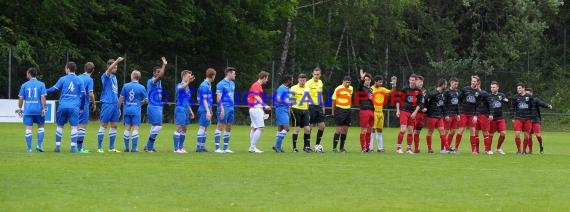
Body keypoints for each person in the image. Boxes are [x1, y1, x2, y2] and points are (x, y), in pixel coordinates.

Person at [46, 62, 86, 153]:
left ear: (68, 69)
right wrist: (82, 107)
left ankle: (57, 147)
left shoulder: (63, 79)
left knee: (60, 126)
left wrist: (43, 91)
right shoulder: (79, 80)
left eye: (65, 68)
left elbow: (53, 89)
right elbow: (84, 95)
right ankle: (72, 148)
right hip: (74, 107)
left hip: (63, 106)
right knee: (74, 127)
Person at [17, 68, 47, 152]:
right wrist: (44, 108)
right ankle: (39, 146)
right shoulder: (41, 84)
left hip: (28, 110)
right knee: (41, 128)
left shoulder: (24, 85)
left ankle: (30, 148)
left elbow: (21, 98)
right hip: (38, 110)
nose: (26, 75)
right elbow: (43, 97)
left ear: (29, 74)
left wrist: (20, 108)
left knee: (28, 129)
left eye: (27, 73)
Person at [97, 57, 124, 153]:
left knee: (114, 125)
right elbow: (108, 71)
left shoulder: (115, 77)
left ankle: (111, 147)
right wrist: (117, 60)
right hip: (107, 103)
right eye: (114, 67)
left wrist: (118, 107)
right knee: (104, 125)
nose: (115, 68)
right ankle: (99, 147)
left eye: (116, 67)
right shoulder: (105, 76)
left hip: (115, 105)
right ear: (109, 66)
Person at [118, 70, 148, 152]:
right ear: (139, 78)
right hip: (136, 110)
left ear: (132, 76)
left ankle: (127, 148)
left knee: (127, 128)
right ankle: (134, 148)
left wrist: (118, 108)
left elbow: (121, 98)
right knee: (135, 128)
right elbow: (146, 100)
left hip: (127, 109)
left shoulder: (125, 86)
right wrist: (141, 103)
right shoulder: (142, 87)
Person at [144, 57, 167, 152]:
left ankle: (148, 146)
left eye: (159, 71)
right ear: (154, 73)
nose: (159, 73)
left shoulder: (159, 82)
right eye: (157, 72)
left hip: (156, 106)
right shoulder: (152, 81)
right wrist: (164, 65)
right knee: (158, 126)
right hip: (153, 106)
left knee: (154, 126)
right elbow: (161, 76)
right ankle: (149, 146)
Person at [395, 74, 423, 154]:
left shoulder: (418, 91)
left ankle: (408, 149)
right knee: (403, 130)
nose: (411, 81)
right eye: (410, 80)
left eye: (413, 80)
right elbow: (398, 100)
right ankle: (398, 148)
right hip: (404, 111)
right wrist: (397, 110)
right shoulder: (404, 89)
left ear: (416, 81)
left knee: (410, 131)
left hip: (412, 112)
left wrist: (415, 112)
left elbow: (420, 103)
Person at [455, 75, 482, 154]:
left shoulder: (478, 92)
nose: (473, 82)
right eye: (472, 81)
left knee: (473, 131)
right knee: (461, 129)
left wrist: (476, 116)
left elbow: (478, 105)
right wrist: (458, 112)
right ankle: (456, 148)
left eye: (474, 81)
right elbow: (458, 100)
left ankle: (473, 150)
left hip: (472, 114)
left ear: (477, 82)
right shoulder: (465, 89)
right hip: (463, 112)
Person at [247, 71, 271, 153]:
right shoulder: (257, 85)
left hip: (253, 108)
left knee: (254, 128)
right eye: (267, 78)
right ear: (264, 77)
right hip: (256, 108)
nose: (267, 80)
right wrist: (264, 105)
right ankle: (253, 147)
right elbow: (256, 96)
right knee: (260, 128)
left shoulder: (256, 85)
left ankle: (252, 147)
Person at [214, 67, 236, 153]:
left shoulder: (233, 83)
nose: (235, 75)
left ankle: (225, 148)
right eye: (234, 73)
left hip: (231, 108)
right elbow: (218, 98)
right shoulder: (220, 84)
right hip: (224, 108)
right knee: (220, 126)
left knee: (229, 127)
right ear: (229, 73)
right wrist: (222, 109)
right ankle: (217, 148)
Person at [370, 75, 395, 152]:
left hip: (381, 112)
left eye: (381, 82)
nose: (381, 83)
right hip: (374, 111)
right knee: (372, 130)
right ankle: (370, 148)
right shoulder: (371, 89)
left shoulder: (382, 89)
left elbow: (391, 92)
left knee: (380, 130)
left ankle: (380, 148)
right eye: (379, 82)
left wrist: (394, 84)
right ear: (376, 81)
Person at [173, 70, 196, 153]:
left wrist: (191, 111)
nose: (190, 77)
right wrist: (188, 82)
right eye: (188, 76)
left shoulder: (187, 87)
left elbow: (187, 100)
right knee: (178, 128)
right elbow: (180, 88)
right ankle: (176, 149)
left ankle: (181, 147)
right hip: (180, 108)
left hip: (186, 109)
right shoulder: (180, 85)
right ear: (184, 76)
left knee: (185, 129)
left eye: (190, 76)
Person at [76, 62, 96, 153]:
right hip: (83, 105)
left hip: (75, 104)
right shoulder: (89, 79)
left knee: (75, 125)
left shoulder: (78, 77)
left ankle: (74, 146)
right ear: (93, 70)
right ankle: (79, 148)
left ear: (84, 68)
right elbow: (90, 93)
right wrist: (94, 103)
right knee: (82, 125)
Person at [526, 88, 553, 154]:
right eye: (526, 93)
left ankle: (541, 146)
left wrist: (548, 106)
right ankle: (530, 151)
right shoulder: (525, 100)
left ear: (531, 93)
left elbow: (542, 103)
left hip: (536, 119)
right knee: (529, 135)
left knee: (538, 135)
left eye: (528, 93)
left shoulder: (535, 100)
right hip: (528, 120)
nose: (527, 94)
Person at [425, 79, 448, 154]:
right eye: (446, 84)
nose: (446, 86)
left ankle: (447, 148)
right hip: (432, 116)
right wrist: (426, 109)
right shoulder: (432, 93)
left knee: (442, 130)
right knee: (430, 131)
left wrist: (445, 114)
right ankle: (429, 149)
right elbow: (425, 101)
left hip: (439, 116)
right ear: (442, 85)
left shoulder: (443, 93)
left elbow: (442, 105)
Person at [290, 74, 312, 152]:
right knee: (297, 129)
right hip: (296, 109)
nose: (302, 82)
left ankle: (306, 147)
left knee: (307, 129)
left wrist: (308, 108)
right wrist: (291, 107)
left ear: (306, 80)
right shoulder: (293, 88)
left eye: (304, 80)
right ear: (298, 80)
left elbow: (308, 99)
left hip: (305, 110)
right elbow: (290, 99)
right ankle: (294, 148)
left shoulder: (307, 88)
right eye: (301, 80)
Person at [331, 76, 354, 152]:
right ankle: (334, 148)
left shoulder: (351, 88)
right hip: (339, 110)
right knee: (339, 129)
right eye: (346, 82)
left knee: (345, 130)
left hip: (348, 110)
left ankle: (341, 148)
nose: (347, 83)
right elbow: (334, 100)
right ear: (343, 81)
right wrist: (333, 111)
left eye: (349, 82)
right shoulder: (338, 88)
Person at [510, 83, 534, 154]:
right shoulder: (515, 97)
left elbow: (532, 107)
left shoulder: (529, 96)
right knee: (517, 134)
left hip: (527, 118)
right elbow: (512, 107)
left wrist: (532, 117)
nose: (518, 90)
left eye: (519, 88)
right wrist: (512, 117)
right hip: (518, 118)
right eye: (517, 88)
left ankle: (524, 150)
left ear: (523, 88)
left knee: (526, 135)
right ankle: (519, 150)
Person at [196, 68, 216, 152]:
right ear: (212, 76)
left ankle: (202, 147)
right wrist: (207, 110)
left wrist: (210, 109)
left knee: (205, 128)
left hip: (207, 108)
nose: (215, 77)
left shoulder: (208, 85)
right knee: (202, 127)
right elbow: (204, 99)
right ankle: (198, 147)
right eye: (214, 75)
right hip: (204, 109)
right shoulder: (204, 85)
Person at [306, 67, 326, 151]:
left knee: (322, 126)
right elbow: (306, 95)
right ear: (312, 74)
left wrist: (323, 105)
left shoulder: (320, 82)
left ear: (320, 75)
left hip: (318, 106)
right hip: (310, 106)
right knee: (310, 127)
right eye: (315, 74)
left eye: (318, 74)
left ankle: (317, 145)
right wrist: (307, 107)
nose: (316, 76)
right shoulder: (308, 83)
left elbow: (320, 94)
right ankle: (307, 146)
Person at [272, 75, 293, 153]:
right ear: (288, 81)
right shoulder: (281, 88)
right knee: (286, 128)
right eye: (291, 80)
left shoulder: (287, 88)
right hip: (281, 109)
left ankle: (279, 147)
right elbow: (278, 99)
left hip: (285, 109)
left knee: (280, 129)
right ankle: (277, 145)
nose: (292, 82)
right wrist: (287, 102)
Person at [489, 81, 509, 154]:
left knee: (503, 133)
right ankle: (489, 149)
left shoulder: (501, 95)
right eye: (491, 87)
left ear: (497, 88)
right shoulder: (489, 96)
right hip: (492, 118)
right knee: (491, 134)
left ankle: (498, 148)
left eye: (494, 87)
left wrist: (506, 101)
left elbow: (506, 101)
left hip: (500, 117)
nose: (492, 88)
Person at [357, 69, 374, 152]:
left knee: (370, 129)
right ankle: (363, 148)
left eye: (368, 80)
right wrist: (361, 79)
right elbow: (359, 86)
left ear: (370, 81)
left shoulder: (371, 90)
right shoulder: (362, 88)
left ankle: (367, 147)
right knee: (363, 129)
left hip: (371, 111)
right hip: (364, 110)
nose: (366, 81)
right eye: (365, 80)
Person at [474, 85, 494, 155]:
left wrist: (491, 114)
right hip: (475, 115)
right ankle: (476, 150)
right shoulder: (472, 93)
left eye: (476, 84)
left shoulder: (485, 93)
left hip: (484, 115)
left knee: (485, 133)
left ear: (479, 84)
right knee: (475, 133)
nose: (474, 85)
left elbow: (491, 104)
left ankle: (487, 150)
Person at [444, 78, 460, 152]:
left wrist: (458, 114)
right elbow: (444, 104)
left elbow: (457, 104)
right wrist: (446, 114)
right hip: (448, 114)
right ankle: (444, 148)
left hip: (454, 115)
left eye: (457, 84)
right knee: (446, 131)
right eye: (454, 84)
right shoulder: (446, 92)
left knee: (453, 131)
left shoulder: (457, 92)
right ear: (451, 83)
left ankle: (448, 147)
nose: (456, 85)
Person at [413, 75, 426, 153]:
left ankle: (416, 148)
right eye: (419, 81)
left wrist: (425, 108)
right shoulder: (414, 91)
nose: (421, 83)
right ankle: (409, 147)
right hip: (415, 113)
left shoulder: (423, 91)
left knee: (418, 131)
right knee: (412, 131)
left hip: (421, 114)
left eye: (422, 82)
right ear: (415, 81)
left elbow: (424, 102)